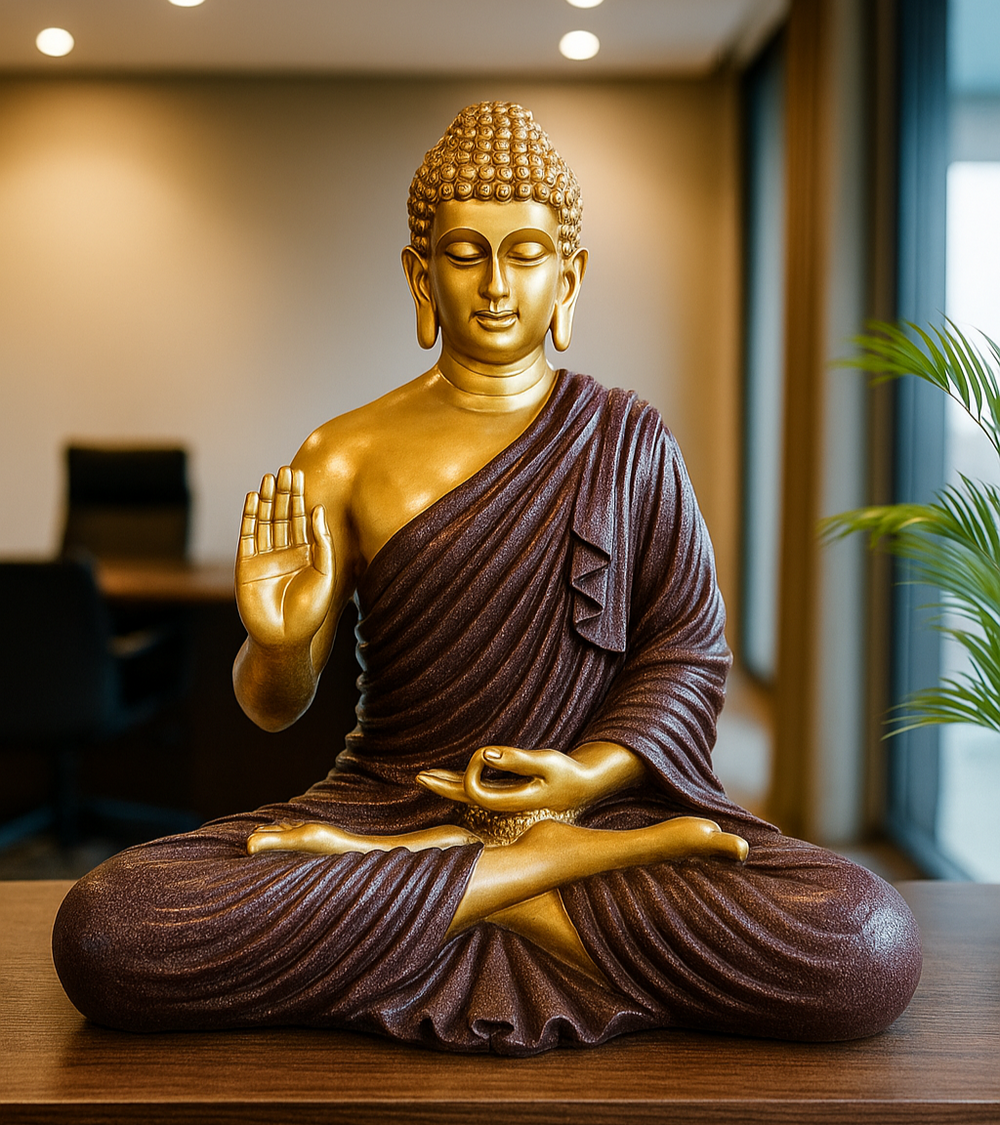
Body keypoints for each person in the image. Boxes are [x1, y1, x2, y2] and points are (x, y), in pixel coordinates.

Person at [52, 102, 921, 1055]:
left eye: (526, 253)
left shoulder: (629, 440)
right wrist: (276, 640)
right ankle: (526, 879)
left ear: (570, 273)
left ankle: (445, 891)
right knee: (109, 926)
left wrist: (587, 775)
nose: (498, 285)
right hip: (388, 807)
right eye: (466, 253)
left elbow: (688, 654)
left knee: (860, 938)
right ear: (420, 273)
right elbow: (271, 709)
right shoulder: (343, 452)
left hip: (587, 811)